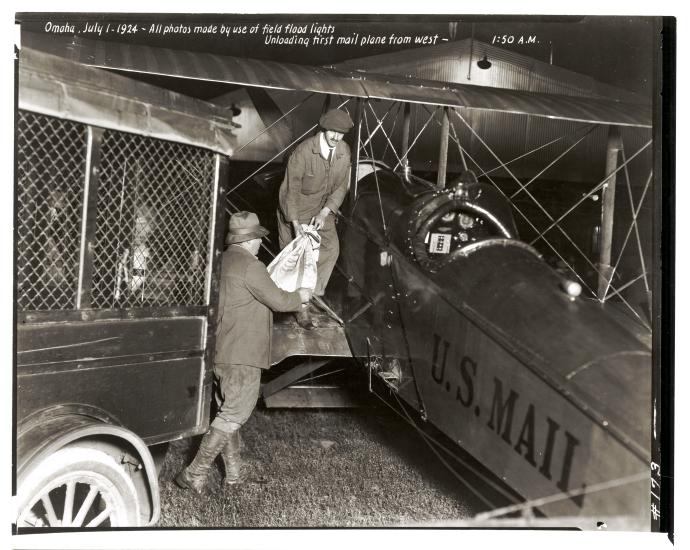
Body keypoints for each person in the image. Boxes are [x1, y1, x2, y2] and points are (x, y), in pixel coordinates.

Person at [175, 211, 311, 492]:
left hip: (221, 351)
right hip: (243, 354)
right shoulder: (251, 266)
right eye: (259, 239)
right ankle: (193, 473)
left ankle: (234, 478)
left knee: (228, 412)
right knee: (234, 414)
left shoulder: (221, 262)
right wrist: (301, 296)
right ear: (250, 241)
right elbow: (280, 301)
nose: (261, 244)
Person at [277, 108, 354, 329]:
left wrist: (324, 213)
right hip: (294, 211)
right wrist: (295, 224)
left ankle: (311, 295)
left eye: (341, 134)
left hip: (320, 210)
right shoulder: (302, 152)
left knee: (331, 249)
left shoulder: (343, 151)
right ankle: (298, 305)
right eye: (333, 133)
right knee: (295, 258)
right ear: (324, 129)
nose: (336, 138)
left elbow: (340, 187)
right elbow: (290, 191)